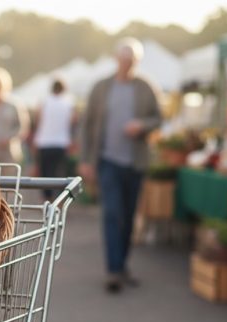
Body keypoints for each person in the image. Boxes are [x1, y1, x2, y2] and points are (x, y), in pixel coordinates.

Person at [78, 38, 162, 293]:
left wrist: (142, 126)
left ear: (137, 62)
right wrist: (85, 160)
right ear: (116, 59)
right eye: (123, 60)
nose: (127, 64)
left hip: (135, 163)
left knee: (128, 216)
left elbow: (158, 118)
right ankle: (113, 271)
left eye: (132, 61)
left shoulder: (146, 87)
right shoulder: (101, 87)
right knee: (112, 213)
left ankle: (123, 265)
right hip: (107, 161)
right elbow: (87, 124)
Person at [31, 79, 76, 200]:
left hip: (44, 142)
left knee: (46, 174)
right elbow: (72, 122)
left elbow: (38, 121)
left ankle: (47, 198)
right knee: (58, 174)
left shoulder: (44, 102)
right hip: (61, 143)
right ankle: (57, 199)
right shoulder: (69, 103)